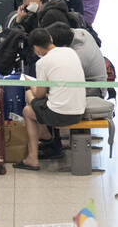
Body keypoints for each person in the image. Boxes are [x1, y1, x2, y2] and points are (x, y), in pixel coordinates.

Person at [16, 28, 86, 169]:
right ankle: (44, 132)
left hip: (59, 115)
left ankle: (33, 158)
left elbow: (39, 94)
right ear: (51, 39)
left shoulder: (43, 62)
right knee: (36, 105)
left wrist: (29, 83)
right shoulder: (70, 52)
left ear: (36, 49)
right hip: (79, 111)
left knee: (28, 104)